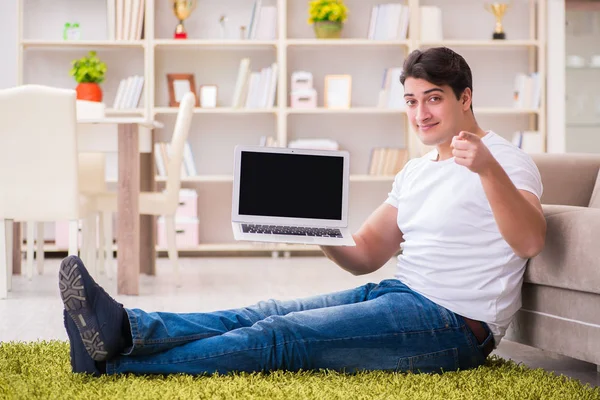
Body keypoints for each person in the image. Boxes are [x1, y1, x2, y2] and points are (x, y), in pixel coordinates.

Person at [59, 47, 546, 377]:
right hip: (400, 292)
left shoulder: (505, 160)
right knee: (264, 312)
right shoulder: (417, 171)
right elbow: (366, 254)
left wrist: (487, 171)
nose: (421, 114)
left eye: (434, 99)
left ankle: (114, 364)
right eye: (412, 102)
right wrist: (315, 226)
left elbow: (530, 241)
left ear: (465, 98)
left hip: (455, 325)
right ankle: (126, 328)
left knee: (281, 336)